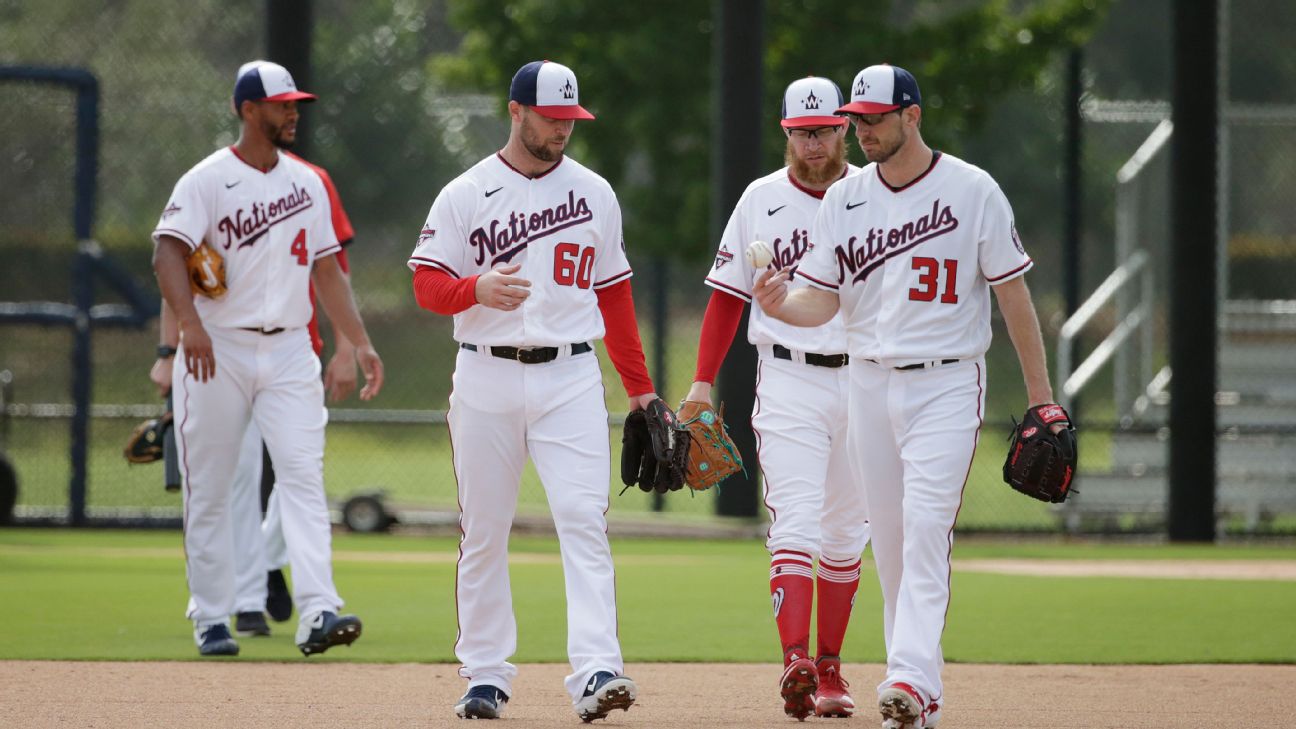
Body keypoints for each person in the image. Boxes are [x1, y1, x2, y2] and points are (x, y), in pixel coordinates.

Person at [753, 64, 1062, 729]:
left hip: (946, 381)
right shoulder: (846, 199)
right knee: (889, 543)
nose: (862, 129)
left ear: (912, 115)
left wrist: (1042, 395)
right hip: (866, 379)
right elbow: (820, 300)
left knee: (923, 528)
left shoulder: (972, 190)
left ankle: (908, 676)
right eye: (857, 118)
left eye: (875, 117)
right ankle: (917, 695)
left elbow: (1013, 294)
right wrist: (781, 303)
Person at [409, 60, 656, 722]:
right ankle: (485, 675)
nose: (563, 130)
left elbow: (616, 295)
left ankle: (598, 668)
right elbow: (426, 284)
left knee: (584, 520)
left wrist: (640, 389)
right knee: (485, 529)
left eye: (571, 119)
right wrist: (474, 290)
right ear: (516, 112)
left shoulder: (596, 193)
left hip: (570, 375)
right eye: (551, 118)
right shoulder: (464, 193)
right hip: (485, 372)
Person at [151, 60, 383, 658]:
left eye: (294, 103)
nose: (292, 112)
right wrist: (189, 329)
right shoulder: (205, 180)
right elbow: (168, 255)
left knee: (303, 478)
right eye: (282, 104)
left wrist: (356, 342)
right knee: (210, 484)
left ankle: (317, 611)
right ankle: (210, 615)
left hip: (287, 348)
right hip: (218, 348)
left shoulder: (306, 184)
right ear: (248, 109)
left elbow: (328, 270)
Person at [684, 76, 869, 720]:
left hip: (867, 379)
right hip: (789, 377)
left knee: (846, 537)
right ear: (785, 132)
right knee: (796, 520)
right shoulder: (761, 198)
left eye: (824, 130)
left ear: (844, 128)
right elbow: (726, 296)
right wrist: (703, 380)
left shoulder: (873, 196)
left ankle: (831, 670)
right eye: (801, 132)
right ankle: (795, 660)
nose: (813, 143)